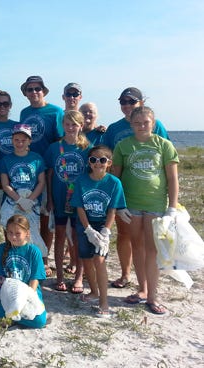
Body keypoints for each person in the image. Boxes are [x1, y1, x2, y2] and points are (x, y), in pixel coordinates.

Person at [112, 106, 179, 315]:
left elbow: (172, 178)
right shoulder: (123, 146)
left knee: (152, 250)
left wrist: (172, 207)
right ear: (131, 124)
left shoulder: (164, 145)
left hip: (156, 205)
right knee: (137, 247)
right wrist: (118, 205)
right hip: (131, 205)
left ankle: (153, 297)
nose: (141, 126)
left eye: (146, 123)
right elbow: (116, 178)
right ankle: (142, 290)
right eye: (137, 123)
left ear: (153, 123)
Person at [102, 87, 169, 290]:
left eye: (132, 101)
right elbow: (107, 156)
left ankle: (149, 286)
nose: (127, 105)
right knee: (125, 235)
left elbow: (166, 159)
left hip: (152, 196)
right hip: (125, 193)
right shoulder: (114, 129)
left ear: (141, 102)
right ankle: (125, 274)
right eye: (123, 102)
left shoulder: (155, 125)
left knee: (150, 243)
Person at [71, 145, 126, 318]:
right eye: (93, 159)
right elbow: (79, 207)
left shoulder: (114, 183)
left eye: (102, 160)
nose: (98, 163)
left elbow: (112, 210)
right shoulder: (81, 181)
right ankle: (94, 292)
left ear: (109, 163)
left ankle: (104, 302)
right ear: (89, 162)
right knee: (86, 259)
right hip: (85, 224)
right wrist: (87, 229)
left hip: (102, 225)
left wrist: (106, 232)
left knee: (99, 260)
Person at [44, 110, 91, 293]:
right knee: (60, 237)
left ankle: (79, 277)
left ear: (81, 126)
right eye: (67, 124)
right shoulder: (55, 148)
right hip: (59, 199)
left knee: (78, 239)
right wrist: (49, 198)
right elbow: (49, 174)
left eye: (75, 124)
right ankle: (60, 277)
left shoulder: (87, 148)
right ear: (63, 125)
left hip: (79, 201)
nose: (71, 128)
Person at [19, 76, 64, 257]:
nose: (34, 92)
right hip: (27, 169)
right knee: (27, 214)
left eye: (37, 89)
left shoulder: (55, 111)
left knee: (45, 214)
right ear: (26, 93)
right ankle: (26, 252)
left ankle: (43, 257)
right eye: (30, 89)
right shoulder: (24, 113)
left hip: (47, 168)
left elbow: (60, 140)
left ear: (44, 91)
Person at [0, 214, 47, 329]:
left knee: (39, 322)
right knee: (3, 318)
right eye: (10, 232)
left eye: (17, 233)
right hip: (9, 292)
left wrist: (26, 297)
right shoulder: (2, 249)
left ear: (27, 233)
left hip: (28, 291)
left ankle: (18, 317)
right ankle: (15, 317)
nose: (13, 237)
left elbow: (34, 280)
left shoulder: (34, 251)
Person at [0, 124, 46, 256]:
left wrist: (29, 201)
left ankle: (31, 261)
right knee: (12, 233)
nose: (20, 143)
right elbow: (5, 184)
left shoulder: (36, 159)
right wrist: (19, 200)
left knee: (30, 234)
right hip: (12, 202)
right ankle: (11, 259)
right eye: (16, 140)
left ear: (29, 141)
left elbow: (41, 182)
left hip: (32, 203)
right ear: (12, 140)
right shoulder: (6, 160)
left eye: (23, 140)